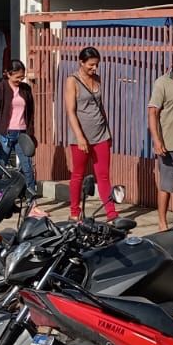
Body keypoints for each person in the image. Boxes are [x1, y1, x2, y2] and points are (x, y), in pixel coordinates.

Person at [64, 46, 117, 221]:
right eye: (91, 65)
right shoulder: (72, 81)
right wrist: (79, 136)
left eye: (96, 65)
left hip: (101, 134)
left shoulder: (98, 80)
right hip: (81, 137)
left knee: (103, 175)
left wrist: (107, 129)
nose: (94, 68)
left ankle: (110, 211)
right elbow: (70, 111)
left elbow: (100, 106)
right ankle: (74, 211)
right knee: (78, 174)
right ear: (81, 62)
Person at [148, 56, 173, 229]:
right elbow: (152, 112)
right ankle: (162, 222)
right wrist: (157, 140)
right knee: (166, 186)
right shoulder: (162, 83)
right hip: (170, 143)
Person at [0, 60, 37, 195]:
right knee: (0, 167)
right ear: (9, 74)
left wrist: (30, 133)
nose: (20, 80)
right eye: (17, 77)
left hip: (22, 133)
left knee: (27, 166)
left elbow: (31, 112)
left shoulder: (25, 89)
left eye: (22, 77)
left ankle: (31, 197)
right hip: (5, 133)